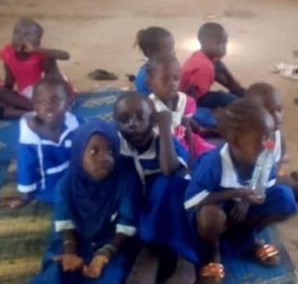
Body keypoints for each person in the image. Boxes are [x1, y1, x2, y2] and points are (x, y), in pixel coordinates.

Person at [184, 98, 298, 284]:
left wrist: (246, 200)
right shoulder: (213, 163)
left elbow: (266, 184)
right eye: (261, 138)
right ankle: (214, 252)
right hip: (214, 206)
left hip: (241, 207)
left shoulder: (262, 155)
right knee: (210, 216)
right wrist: (236, 194)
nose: (268, 144)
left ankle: (248, 238)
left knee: (284, 198)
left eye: (269, 136)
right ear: (234, 141)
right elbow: (191, 201)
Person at [34, 120, 141, 284]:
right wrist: (71, 252)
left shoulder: (125, 181)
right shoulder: (66, 184)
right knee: (56, 274)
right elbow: (65, 222)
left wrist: (104, 253)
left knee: (109, 277)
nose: (104, 158)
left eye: (111, 151)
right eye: (93, 151)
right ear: (78, 154)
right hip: (74, 238)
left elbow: (126, 224)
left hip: (113, 241)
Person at [114, 92, 197, 284]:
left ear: (153, 120)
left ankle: (185, 260)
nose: (132, 123)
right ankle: (151, 254)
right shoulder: (118, 145)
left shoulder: (166, 142)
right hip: (141, 212)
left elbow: (169, 169)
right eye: (124, 119)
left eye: (140, 117)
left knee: (167, 184)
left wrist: (165, 129)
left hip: (174, 211)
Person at [0, 77, 80, 209]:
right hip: (47, 186)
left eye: (55, 100)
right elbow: (26, 167)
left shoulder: (76, 124)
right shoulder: (29, 137)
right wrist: (26, 195)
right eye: (41, 102)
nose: (48, 107)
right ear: (34, 104)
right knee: (63, 199)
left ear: (69, 102)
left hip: (75, 177)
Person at [147, 55, 214, 159]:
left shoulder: (184, 100)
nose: (172, 83)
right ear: (150, 84)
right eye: (165, 80)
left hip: (183, 138)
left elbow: (187, 128)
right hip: (165, 146)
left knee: (213, 154)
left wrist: (191, 152)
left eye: (176, 78)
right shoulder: (149, 107)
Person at [0, 18, 71, 108]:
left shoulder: (41, 54)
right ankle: (37, 107)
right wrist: (5, 96)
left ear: (37, 42)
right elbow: (9, 80)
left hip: (49, 90)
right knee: (0, 93)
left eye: (27, 36)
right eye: (16, 33)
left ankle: (59, 100)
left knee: (49, 60)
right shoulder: (7, 52)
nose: (20, 38)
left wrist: (37, 50)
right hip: (27, 94)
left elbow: (66, 56)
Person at [180, 22, 244, 109]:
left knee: (219, 67)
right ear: (204, 42)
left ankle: (240, 94)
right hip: (189, 100)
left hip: (192, 95)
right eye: (219, 43)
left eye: (225, 43)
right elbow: (191, 94)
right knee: (221, 97)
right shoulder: (204, 66)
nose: (224, 48)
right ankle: (242, 102)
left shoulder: (200, 55)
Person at [133, 27, 175, 96]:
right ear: (150, 53)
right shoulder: (152, 75)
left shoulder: (161, 67)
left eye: (173, 47)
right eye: (169, 50)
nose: (173, 52)